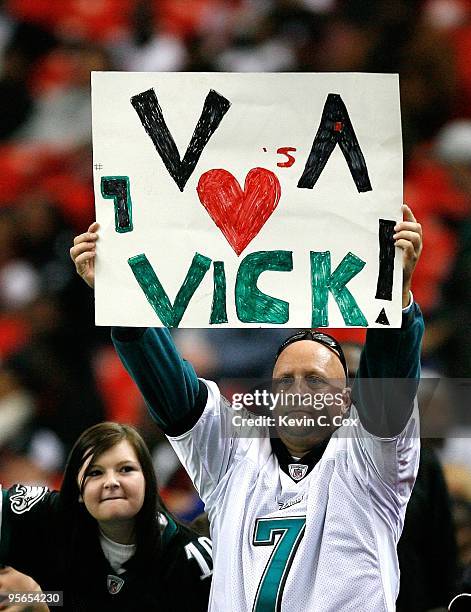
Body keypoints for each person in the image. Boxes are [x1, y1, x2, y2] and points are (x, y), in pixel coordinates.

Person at [71, 204, 424, 611]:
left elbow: (388, 391)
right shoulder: (234, 459)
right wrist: (122, 301)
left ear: (347, 402)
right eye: (284, 380)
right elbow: (173, 393)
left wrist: (396, 298)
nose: (297, 391)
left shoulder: (369, 463)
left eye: (315, 380)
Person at [0, 422, 213, 611]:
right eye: (95, 473)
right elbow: (63, 598)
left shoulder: (192, 561)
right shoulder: (50, 519)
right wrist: (30, 595)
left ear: (148, 480)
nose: (111, 482)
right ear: (78, 491)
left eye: (126, 469)